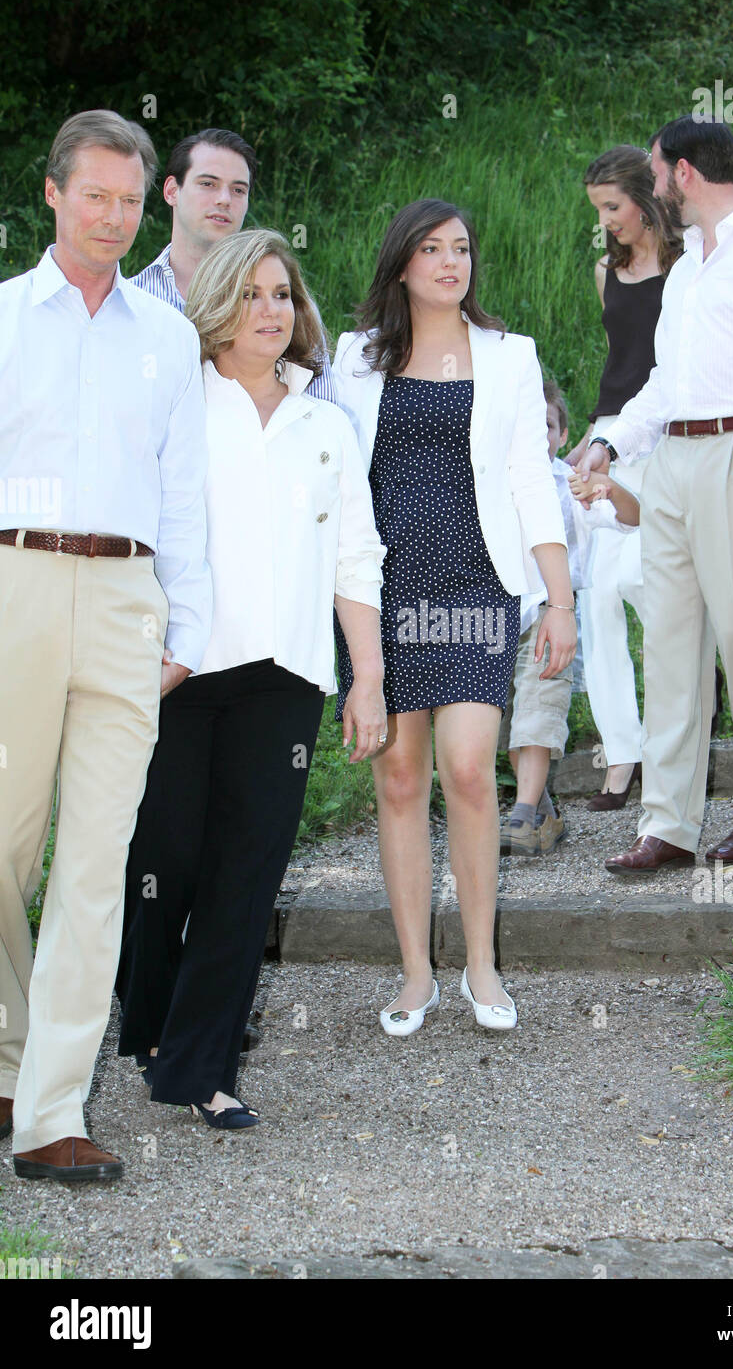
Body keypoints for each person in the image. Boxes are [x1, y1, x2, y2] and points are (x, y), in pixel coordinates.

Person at [116, 230, 386, 1127]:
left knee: (247, 873)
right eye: (255, 294)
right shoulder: (178, 402)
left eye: (284, 294)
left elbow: (357, 560)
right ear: (219, 305)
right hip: (181, 667)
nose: (273, 309)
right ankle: (151, 1018)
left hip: (286, 678)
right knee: (162, 859)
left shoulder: (327, 423)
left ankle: (203, 1067)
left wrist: (368, 679)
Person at [0, 110, 211, 1179]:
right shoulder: (2, 321)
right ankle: (6, 1053)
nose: (114, 217)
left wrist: (188, 625)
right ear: (52, 194)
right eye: (96, 195)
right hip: (15, 583)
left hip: (128, 598)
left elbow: (185, 502)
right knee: (3, 844)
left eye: (130, 200)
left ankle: (51, 1113)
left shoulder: (166, 337)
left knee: (94, 868)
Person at [333, 198, 575, 1035]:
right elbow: (336, 485)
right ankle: (413, 973)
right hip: (386, 591)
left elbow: (529, 481)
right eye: (432, 249)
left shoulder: (509, 358)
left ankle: (481, 964)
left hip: (476, 584)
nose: (450, 262)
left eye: (461, 249)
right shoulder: (355, 359)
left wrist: (559, 600)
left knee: (469, 770)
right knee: (399, 779)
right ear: (401, 263)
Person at [579, 117, 733, 874]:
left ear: (684, 171)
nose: (653, 188)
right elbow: (666, 382)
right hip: (673, 461)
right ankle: (670, 824)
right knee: (669, 642)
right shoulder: (687, 265)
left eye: (656, 173)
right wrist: (611, 440)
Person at [566, 147, 683, 810]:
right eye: (598, 210)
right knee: (598, 599)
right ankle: (622, 755)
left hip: (671, 435)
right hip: (613, 435)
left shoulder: (689, 265)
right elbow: (620, 358)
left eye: (613, 206)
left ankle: (677, 735)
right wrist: (591, 437)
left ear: (646, 197)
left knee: (646, 585)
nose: (606, 221)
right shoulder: (605, 272)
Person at [500, 380, 639, 855]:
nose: (538, 434)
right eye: (528, 424)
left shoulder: (568, 485)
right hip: (496, 613)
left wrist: (609, 488)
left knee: (539, 707)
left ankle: (523, 812)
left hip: (550, 616)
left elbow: (630, 517)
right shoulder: (493, 483)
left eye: (548, 426)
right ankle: (541, 809)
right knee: (510, 721)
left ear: (562, 437)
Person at [131, 126, 336, 402]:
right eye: (208, 184)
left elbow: (323, 413)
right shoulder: (132, 301)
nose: (224, 199)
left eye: (238, 189)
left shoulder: (289, 308)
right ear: (171, 191)